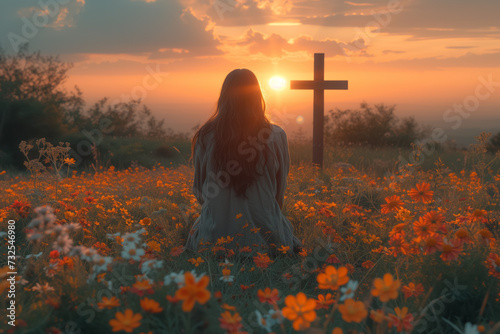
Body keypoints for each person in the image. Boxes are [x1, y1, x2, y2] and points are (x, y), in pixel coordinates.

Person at [185, 69, 302, 255]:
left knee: (196, 225)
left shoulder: (205, 137)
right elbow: (278, 195)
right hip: (268, 241)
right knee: (285, 228)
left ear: (224, 97)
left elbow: (200, 192)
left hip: (214, 241)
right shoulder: (277, 136)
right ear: (257, 97)